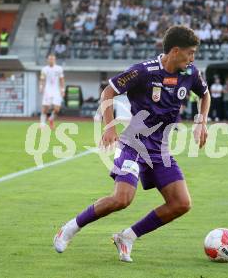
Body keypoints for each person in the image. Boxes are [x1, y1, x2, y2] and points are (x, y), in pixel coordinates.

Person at [53, 25, 211, 263]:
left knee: (181, 203)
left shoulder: (190, 73)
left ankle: (127, 237)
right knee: (122, 199)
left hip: (161, 150)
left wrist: (201, 121)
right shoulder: (143, 72)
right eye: (190, 52)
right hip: (134, 146)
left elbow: (205, 94)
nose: (193, 58)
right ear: (175, 50)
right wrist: (109, 127)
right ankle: (69, 228)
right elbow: (108, 92)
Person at [39, 54, 65, 129]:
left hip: (56, 91)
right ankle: (42, 124)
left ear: (55, 60)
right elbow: (42, 79)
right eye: (50, 59)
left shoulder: (59, 68)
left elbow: (62, 79)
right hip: (47, 90)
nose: (51, 60)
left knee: (57, 109)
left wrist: (62, 90)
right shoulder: (44, 69)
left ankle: (51, 118)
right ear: (47, 60)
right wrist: (41, 87)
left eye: (52, 59)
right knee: (45, 107)